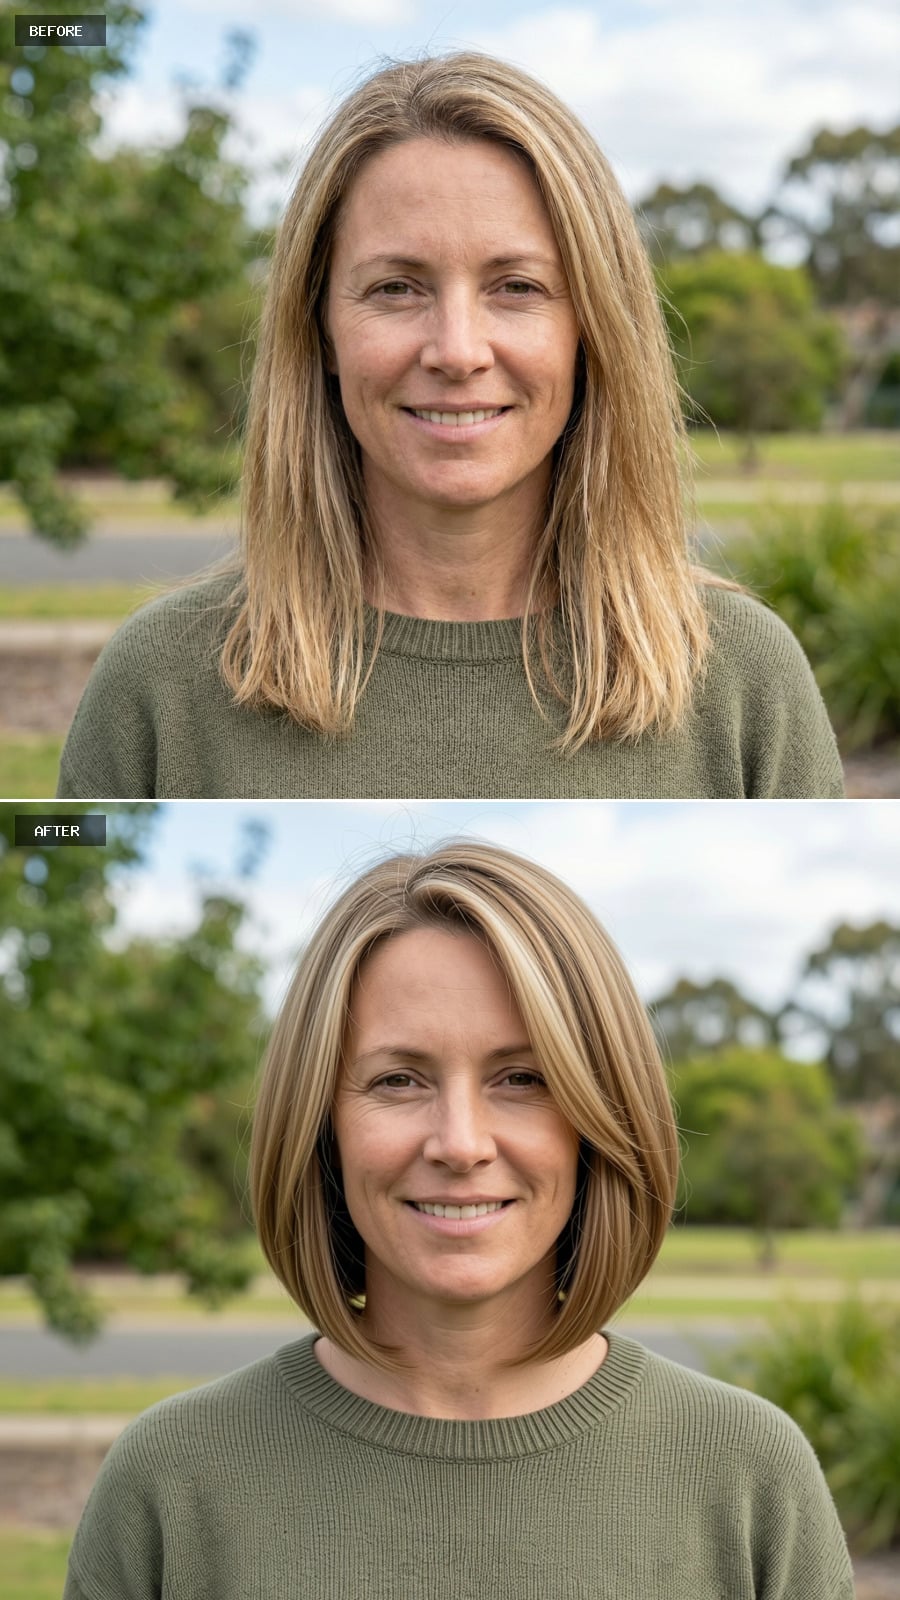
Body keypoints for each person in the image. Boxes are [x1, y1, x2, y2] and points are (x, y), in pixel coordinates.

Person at [63, 842, 854, 1598]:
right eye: (400, 1080)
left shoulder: (749, 1474)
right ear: (319, 1123)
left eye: (521, 1078)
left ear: (599, 1119)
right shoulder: (171, 1480)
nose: (461, 1144)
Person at [57, 52, 842, 800]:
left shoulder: (743, 679)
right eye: (396, 287)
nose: (457, 351)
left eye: (517, 287)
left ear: (592, 329)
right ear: (320, 327)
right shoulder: (159, 686)